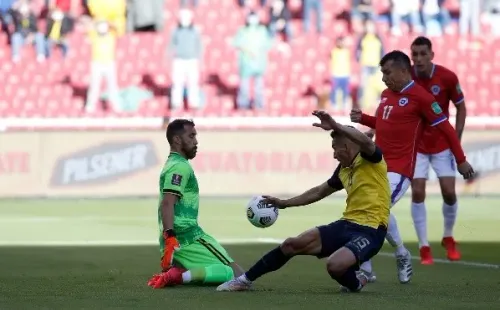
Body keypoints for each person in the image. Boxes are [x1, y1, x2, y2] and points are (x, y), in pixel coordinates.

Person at [216, 110, 391, 293]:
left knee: (334, 265)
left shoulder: (371, 159)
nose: (334, 155)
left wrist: (336, 125)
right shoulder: (343, 170)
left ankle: (356, 282)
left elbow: (365, 141)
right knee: (291, 244)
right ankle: (244, 280)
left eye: (335, 148)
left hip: (372, 230)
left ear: (347, 147)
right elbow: (319, 191)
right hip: (346, 224)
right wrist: (285, 203)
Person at [350, 50, 474, 284]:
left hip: (400, 168)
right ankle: (400, 254)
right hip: (376, 164)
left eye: (387, 73)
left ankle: (366, 267)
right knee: (370, 209)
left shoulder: (422, 97)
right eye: (382, 74)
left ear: (404, 70)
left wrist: (460, 159)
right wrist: (363, 118)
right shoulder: (387, 94)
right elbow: (384, 124)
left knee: (374, 208)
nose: (384, 78)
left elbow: (446, 128)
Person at [148, 119, 245, 289]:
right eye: (191, 136)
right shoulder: (179, 167)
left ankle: (181, 272)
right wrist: (170, 236)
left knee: (204, 272)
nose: (196, 141)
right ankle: (180, 276)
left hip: (175, 241)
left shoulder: (173, 164)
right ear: (177, 140)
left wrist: (168, 239)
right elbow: (167, 203)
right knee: (239, 276)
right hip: (188, 237)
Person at [410, 36, 467, 265]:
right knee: (417, 192)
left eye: (423, 54)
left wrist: (457, 139)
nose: (419, 59)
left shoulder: (447, 77)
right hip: (417, 146)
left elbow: (461, 106)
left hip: (442, 143)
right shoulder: (407, 79)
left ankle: (448, 236)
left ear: (432, 55)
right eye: (415, 54)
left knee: (449, 193)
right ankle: (424, 246)